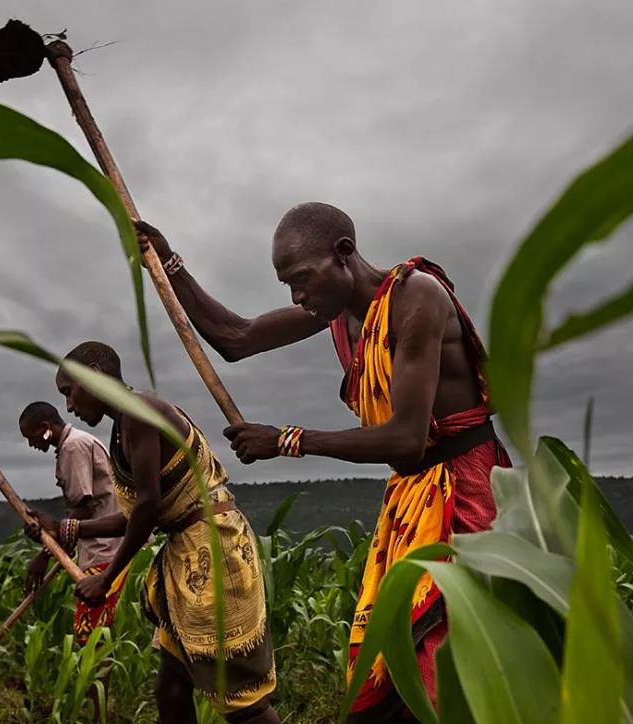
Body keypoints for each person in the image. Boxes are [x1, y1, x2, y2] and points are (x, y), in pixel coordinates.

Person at [132, 202, 512, 723]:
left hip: (464, 494)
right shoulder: (339, 317)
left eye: (302, 279)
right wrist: (169, 262)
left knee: (441, 663)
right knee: (391, 662)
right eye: (287, 284)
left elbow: (406, 439)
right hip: (412, 497)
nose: (297, 296)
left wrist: (287, 440)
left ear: (344, 254)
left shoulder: (415, 297)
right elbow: (235, 339)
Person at [26, 341, 281, 724]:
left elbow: (147, 508)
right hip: (190, 553)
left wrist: (106, 579)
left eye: (68, 391)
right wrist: (61, 528)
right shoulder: (123, 428)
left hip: (213, 553)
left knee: (241, 701)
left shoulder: (140, 412)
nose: (69, 407)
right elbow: (133, 516)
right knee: (172, 687)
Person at [18, 400, 131, 724]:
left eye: (31, 437)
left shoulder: (73, 447)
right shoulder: (77, 443)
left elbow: (81, 509)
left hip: (106, 552)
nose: (31, 445)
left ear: (46, 429)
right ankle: (98, 714)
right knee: (95, 639)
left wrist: (43, 556)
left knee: (93, 640)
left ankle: (99, 718)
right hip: (101, 548)